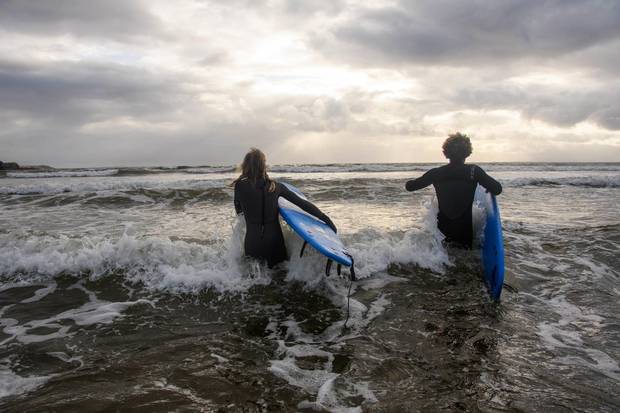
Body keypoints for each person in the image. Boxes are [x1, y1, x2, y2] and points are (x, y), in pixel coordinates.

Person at [233, 148, 337, 267]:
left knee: (254, 278)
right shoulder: (277, 187)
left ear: (246, 165)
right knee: (280, 276)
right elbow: (302, 203)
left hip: (253, 242)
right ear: (263, 165)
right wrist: (325, 218)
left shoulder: (240, 186)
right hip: (275, 241)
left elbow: (239, 212)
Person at [405, 133, 502, 249]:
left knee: (445, 261)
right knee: (464, 261)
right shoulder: (473, 171)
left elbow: (410, 187)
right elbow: (497, 189)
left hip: (442, 234)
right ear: (467, 152)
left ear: (446, 152)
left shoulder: (436, 173)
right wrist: (487, 187)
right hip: (464, 234)